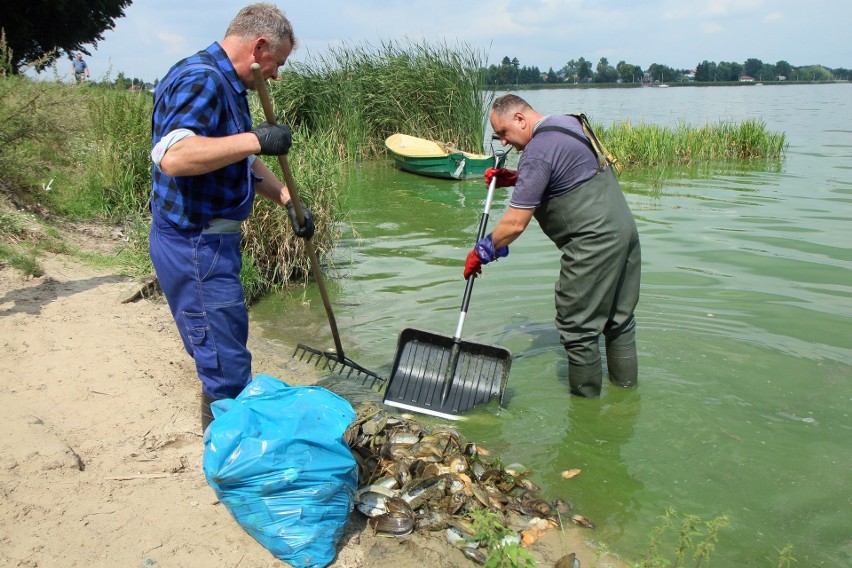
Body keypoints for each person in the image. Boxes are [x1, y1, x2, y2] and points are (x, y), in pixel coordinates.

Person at [149, 3, 314, 430]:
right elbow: (174, 156)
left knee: (225, 350)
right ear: (259, 47)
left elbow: (236, 159)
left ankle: (226, 449)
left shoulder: (226, 83)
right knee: (226, 366)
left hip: (210, 243)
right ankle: (227, 464)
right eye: (277, 63)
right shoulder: (202, 79)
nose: (276, 75)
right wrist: (255, 139)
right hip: (195, 244)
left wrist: (287, 200)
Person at [464, 94, 641, 398]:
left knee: (578, 331)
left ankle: (587, 416)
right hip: (624, 233)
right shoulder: (568, 124)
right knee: (619, 322)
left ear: (520, 118)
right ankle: (626, 398)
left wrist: (482, 251)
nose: (504, 143)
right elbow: (566, 173)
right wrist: (518, 179)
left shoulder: (537, 152)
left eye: (504, 133)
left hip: (592, 245)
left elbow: (515, 224)